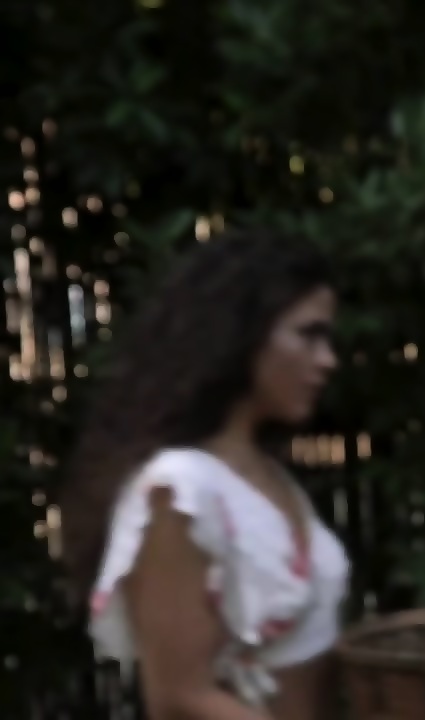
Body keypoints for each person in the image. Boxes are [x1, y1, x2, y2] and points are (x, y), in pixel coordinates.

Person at [59, 229, 349, 719]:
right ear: (244, 334)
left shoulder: (267, 477)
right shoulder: (180, 488)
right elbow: (179, 696)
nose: (328, 360)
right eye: (308, 335)